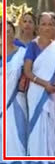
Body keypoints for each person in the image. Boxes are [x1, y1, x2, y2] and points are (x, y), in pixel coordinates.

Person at [24, 12, 55, 156]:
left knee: (50, 126)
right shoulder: (32, 46)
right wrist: (45, 85)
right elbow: (27, 72)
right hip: (37, 93)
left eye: (50, 24)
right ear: (38, 27)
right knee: (37, 127)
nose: (47, 28)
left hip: (53, 93)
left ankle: (49, 157)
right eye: (43, 24)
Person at [1, 21, 27, 156]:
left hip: (15, 103)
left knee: (18, 140)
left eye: (8, 31)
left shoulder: (22, 53)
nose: (6, 34)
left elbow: (30, 73)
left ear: (13, 33)